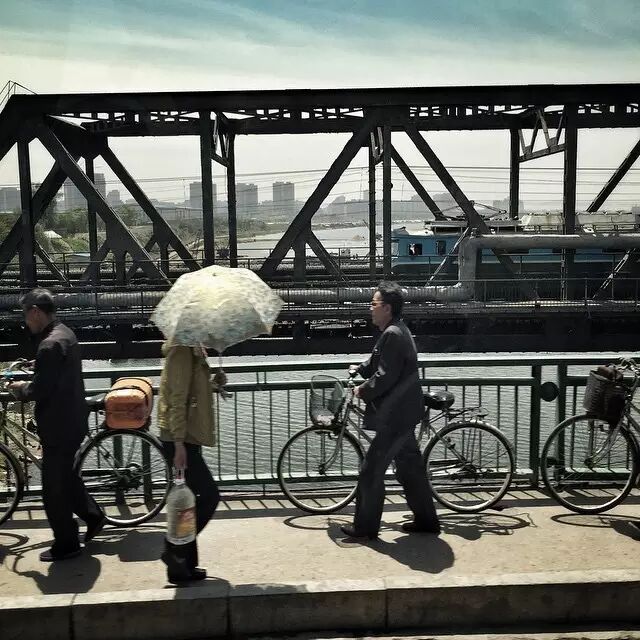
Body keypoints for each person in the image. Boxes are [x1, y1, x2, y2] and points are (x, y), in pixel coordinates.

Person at [9, 288, 105, 561]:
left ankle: (67, 544)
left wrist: (19, 387)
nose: (25, 321)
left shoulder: (49, 345)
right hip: (73, 420)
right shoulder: (65, 334)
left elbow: (40, 389)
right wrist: (37, 365)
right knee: (67, 478)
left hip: (58, 427)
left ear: (36, 312)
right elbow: (56, 372)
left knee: (53, 490)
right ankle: (94, 516)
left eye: (26, 314)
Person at [340, 281, 440, 541]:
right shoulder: (395, 330)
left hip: (395, 417)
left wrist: (362, 390)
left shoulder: (393, 334)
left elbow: (385, 375)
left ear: (386, 308)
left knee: (370, 471)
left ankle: (365, 528)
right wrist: (360, 369)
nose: (370, 309)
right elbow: (377, 360)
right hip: (404, 412)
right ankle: (427, 521)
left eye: (373, 304)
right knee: (410, 470)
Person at [157, 341, 225, 584]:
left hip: (188, 435)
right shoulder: (181, 351)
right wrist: (178, 443)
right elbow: (177, 399)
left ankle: (183, 564)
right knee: (209, 496)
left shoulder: (192, 349)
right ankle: (174, 549)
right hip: (180, 438)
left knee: (191, 502)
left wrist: (214, 384)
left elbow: (191, 390)